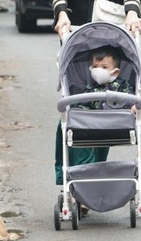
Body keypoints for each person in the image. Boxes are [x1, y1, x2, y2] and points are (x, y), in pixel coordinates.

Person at [53, 45, 135, 185]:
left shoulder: (123, 86)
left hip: (115, 125)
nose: (98, 70)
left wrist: (132, 106)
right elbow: (81, 106)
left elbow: (130, 99)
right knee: (68, 127)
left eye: (104, 67)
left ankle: (91, 177)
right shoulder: (90, 89)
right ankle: (81, 178)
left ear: (115, 72)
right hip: (90, 126)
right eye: (95, 66)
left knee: (99, 154)